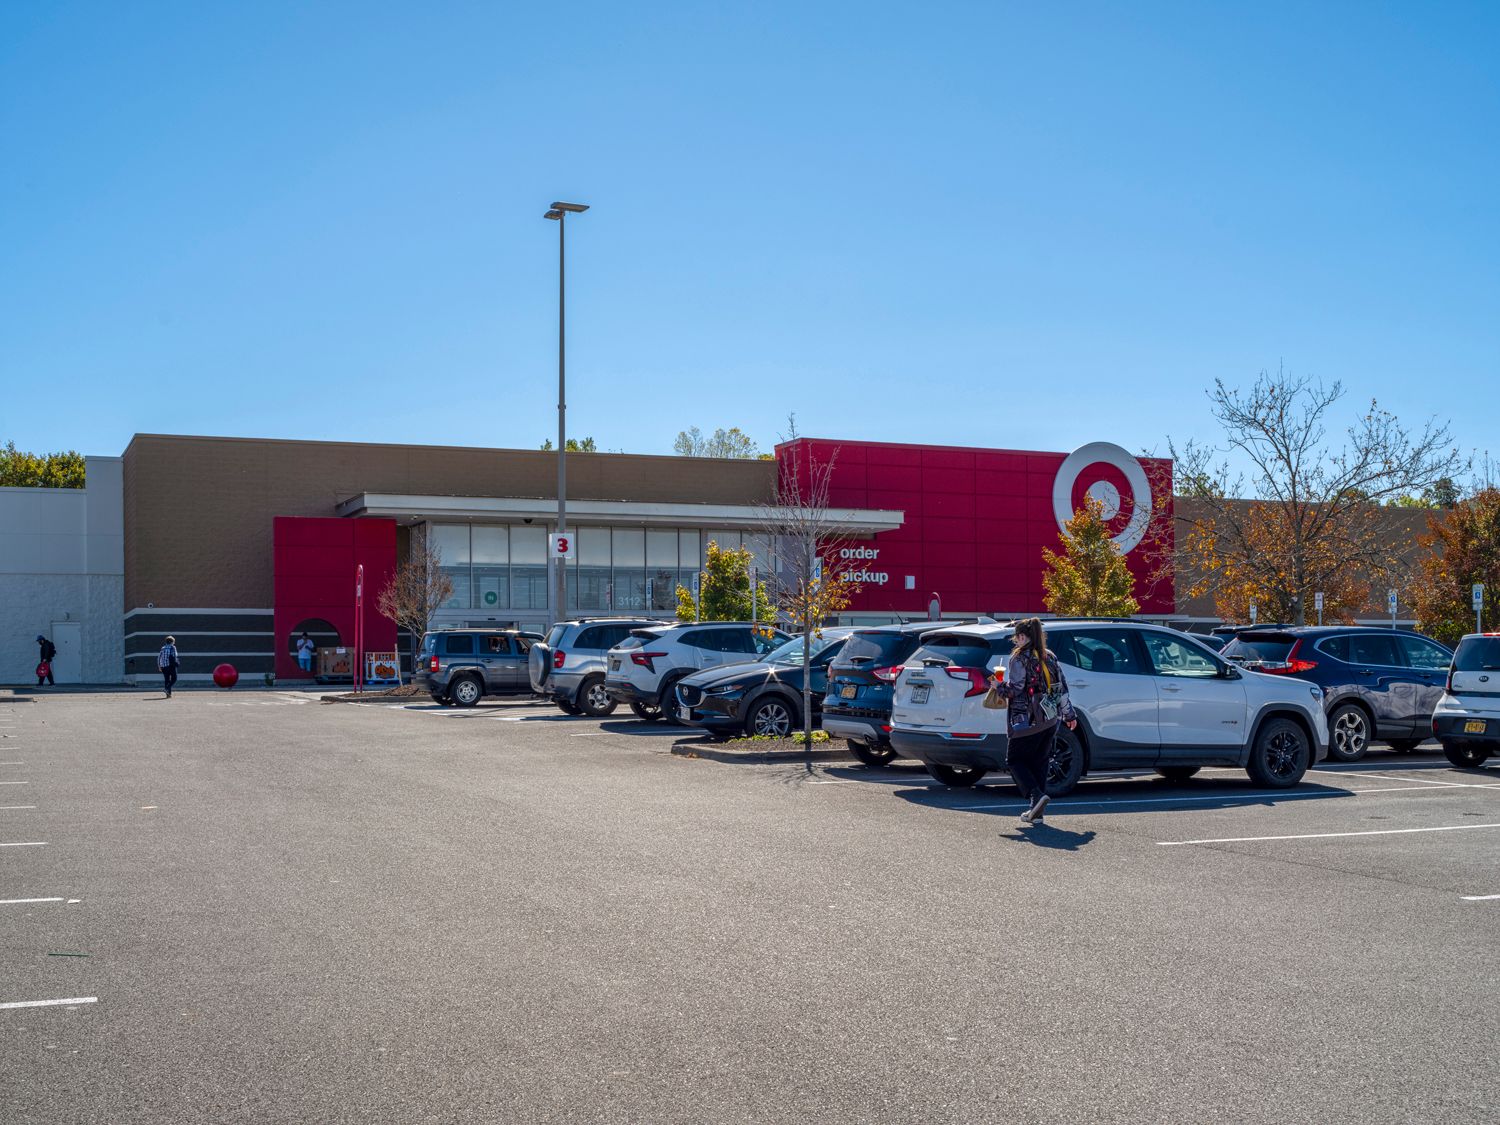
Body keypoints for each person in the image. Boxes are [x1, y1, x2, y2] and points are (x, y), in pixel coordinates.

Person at [994, 617, 1078, 826]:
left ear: (1023, 636)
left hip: (1025, 720)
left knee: (1014, 760)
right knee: (1040, 762)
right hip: (1050, 718)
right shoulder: (1049, 656)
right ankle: (1037, 812)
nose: (1016, 641)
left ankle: (1035, 795)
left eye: (1017, 637)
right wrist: (1070, 715)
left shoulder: (1019, 658)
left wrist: (998, 686)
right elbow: (1061, 689)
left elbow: (1015, 689)